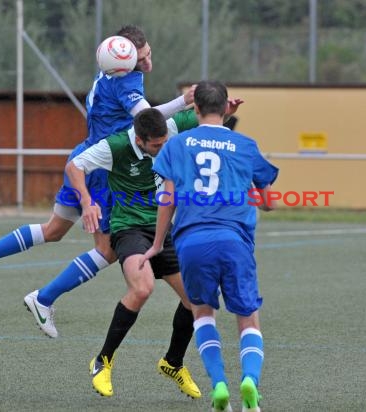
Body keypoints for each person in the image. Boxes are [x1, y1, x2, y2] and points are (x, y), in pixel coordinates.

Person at [0, 25, 194, 339]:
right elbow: (148, 119)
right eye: (143, 56)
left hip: (85, 154)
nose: (148, 59)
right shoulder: (127, 79)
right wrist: (183, 101)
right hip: (106, 167)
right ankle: (43, 298)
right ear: (126, 59)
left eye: (148, 52)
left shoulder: (109, 69)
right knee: (108, 250)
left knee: (53, 229)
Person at [65, 102, 242, 399]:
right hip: (128, 228)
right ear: (139, 141)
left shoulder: (168, 130)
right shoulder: (115, 146)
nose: (162, 150)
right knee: (142, 288)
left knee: (197, 299)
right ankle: (102, 360)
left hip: (161, 229)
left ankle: (172, 363)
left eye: (164, 144)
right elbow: (74, 166)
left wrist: (223, 109)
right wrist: (86, 201)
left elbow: (202, 115)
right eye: (156, 146)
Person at [140, 80, 278, 412]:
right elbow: (269, 202)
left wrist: (158, 243)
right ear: (225, 106)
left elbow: (168, 198)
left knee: (202, 314)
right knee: (247, 317)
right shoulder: (244, 144)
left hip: (191, 242)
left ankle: (218, 386)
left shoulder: (176, 145)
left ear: (195, 109)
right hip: (234, 240)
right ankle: (250, 386)